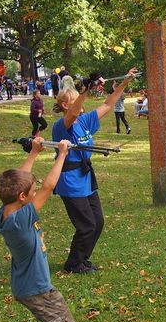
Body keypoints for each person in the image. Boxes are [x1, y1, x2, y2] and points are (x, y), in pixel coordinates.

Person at [0, 137, 75, 322]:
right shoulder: (21, 220)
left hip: (25, 285)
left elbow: (21, 182)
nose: (35, 192)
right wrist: (62, 154)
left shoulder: (5, 214)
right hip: (37, 287)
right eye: (32, 191)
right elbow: (48, 186)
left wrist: (34, 153)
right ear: (22, 197)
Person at [52, 67, 137, 274]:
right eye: (76, 100)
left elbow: (108, 104)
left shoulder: (85, 121)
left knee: (97, 222)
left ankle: (82, 259)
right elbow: (73, 113)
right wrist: (86, 90)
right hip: (70, 180)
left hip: (86, 177)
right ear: (64, 104)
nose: (80, 103)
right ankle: (73, 263)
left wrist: (124, 82)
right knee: (87, 225)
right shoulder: (62, 125)